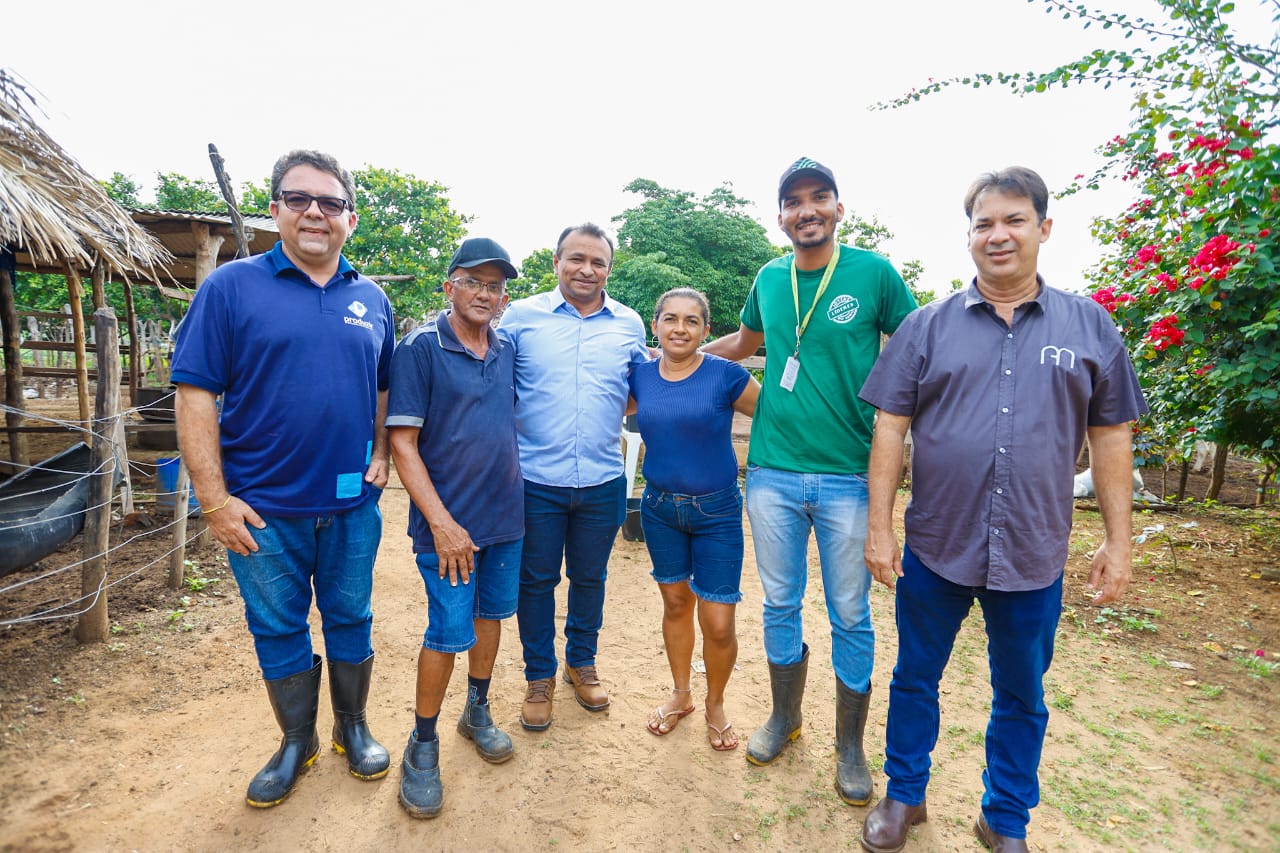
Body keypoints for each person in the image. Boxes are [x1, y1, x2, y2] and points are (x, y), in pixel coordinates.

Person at [856, 166, 1147, 853]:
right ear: (968, 238)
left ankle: (1004, 817)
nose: (999, 234)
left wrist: (1119, 540)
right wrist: (881, 527)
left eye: (1014, 220)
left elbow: (1111, 437)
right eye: (984, 223)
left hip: (1033, 550)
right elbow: (890, 428)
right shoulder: (927, 328)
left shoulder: (1090, 326)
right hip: (937, 544)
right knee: (915, 676)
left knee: (1022, 694)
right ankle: (905, 794)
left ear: (1044, 229)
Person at [172, 149, 394, 808]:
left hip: (353, 505)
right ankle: (296, 739)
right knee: (277, 626)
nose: (315, 213)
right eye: (299, 199)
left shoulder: (371, 298)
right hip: (262, 509)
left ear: (349, 218)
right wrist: (213, 501)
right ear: (276, 210)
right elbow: (193, 394)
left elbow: (383, 386)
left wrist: (381, 448)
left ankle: (352, 727)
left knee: (351, 614)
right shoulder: (232, 288)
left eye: (329, 202)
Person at [703, 157, 917, 803]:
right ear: (781, 217)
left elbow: (915, 349)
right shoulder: (769, 278)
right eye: (794, 201)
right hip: (769, 472)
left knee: (851, 612)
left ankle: (849, 745)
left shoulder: (874, 274)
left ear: (837, 207)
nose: (807, 210)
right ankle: (784, 716)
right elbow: (742, 343)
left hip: (850, 476)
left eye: (818, 197)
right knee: (778, 602)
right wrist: (674, 356)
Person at [386, 238, 524, 819]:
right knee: (446, 630)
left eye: (493, 286)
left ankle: (478, 708)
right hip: (448, 528)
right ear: (450, 286)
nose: (483, 293)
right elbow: (402, 441)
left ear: (503, 297)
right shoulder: (420, 348)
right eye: (472, 281)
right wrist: (441, 524)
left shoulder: (508, 347)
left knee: (491, 618)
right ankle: (422, 743)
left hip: (505, 519)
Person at [496, 223, 649, 731]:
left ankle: (580, 662)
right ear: (557, 262)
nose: (587, 270)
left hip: (604, 479)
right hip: (535, 478)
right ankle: (538, 675)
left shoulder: (629, 324)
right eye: (576, 259)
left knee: (590, 577)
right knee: (535, 581)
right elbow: (498, 384)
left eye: (598, 262)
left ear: (609, 268)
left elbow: (635, 390)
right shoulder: (520, 318)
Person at [628, 288, 761, 751]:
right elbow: (601, 407)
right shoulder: (640, 377)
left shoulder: (726, 376)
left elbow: (774, 418)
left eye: (690, 321)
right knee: (676, 605)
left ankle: (716, 702)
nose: (679, 329)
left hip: (718, 512)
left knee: (719, 621)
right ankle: (682, 694)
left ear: (706, 330)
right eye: (670, 319)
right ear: (655, 326)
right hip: (660, 508)